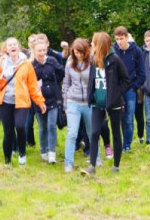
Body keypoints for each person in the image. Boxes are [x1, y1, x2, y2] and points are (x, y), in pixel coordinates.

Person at [0, 37, 46, 166]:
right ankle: (7, 161)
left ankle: (22, 154)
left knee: (20, 126)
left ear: (18, 47)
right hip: (5, 102)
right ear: (6, 49)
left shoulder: (26, 64)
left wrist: (40, 102)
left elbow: (33, 85)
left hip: (21, 102)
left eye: (14, 44)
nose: (12, 46)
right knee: (8, 131)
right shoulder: (1, 64)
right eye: (9, 45)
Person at [81, 32, 130, 175]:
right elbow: (92, 80)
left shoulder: (115, 60)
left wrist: (115, 94)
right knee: (95, 132)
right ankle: (92, 166)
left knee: (116, 134)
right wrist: (91, 96)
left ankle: (116, 166)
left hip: (113, 103)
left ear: (100, 45)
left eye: (94, 43)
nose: (91, 45)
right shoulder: (93, 60)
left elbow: (126, 81)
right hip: (98, 102)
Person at [113, 26, 146, 152]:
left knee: (129, 119)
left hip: (130, 90)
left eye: (121, 38)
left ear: (127, 37)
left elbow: (142, 73)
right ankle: (120, 144)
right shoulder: (114, 51)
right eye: (117, 39)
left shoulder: (136, 51)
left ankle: (127, 145)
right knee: (120, 118)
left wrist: (134, 87)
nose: (119, 42)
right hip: (117, 90)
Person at [32, 40, 65, 164]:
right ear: (34, 51)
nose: (41, 53)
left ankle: (52, 153)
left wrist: (55, 82)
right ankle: (43, 150)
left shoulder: (52, 61)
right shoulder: (31, 65)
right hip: (38, 100)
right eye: (39, 51)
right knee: (42, 127)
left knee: (52, 126)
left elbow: (62, 72)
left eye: (43, 50)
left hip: (53, 98)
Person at [63, 38, 92, 172]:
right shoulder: (69, 64)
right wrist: (65, 104)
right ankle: (68, 163)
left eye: (81, 52)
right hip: (73, 101)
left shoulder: (92, 63)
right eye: (76, 52)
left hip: (89, 102)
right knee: (72, 133)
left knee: (92, 133)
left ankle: (96, 158)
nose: (78, 55)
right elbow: (66, 84)